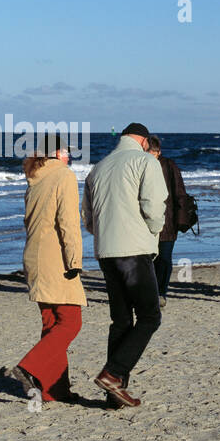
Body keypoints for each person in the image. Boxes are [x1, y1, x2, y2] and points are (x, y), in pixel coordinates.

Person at [83, 123, 168, 408]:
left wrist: (105, 235)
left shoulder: (98, 167)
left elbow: (88, 217)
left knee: (120, 320)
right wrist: (153, 232)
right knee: (149, 317)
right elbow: (154, 206)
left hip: (106, 250)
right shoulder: (145, 161)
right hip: (134, 249)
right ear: (143, 141)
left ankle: (114, 394)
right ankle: (113, 374)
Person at [1, 133, 84, 405]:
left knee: (51, 325)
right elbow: (68, 222)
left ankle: (54, 391)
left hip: (33, 258)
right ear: (55, 153)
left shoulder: (34, 179)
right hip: (55, 258)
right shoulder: (64, 176)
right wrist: (75, 260)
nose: (69, 155)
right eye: (65, 151)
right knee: (71, 322)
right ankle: (29, 367)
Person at [146, 135, 188, 309]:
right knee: (148, 260)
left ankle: (161, 293)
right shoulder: (141, 166)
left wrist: (182, 220)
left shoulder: (169, 165)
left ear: (158, 152)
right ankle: (150, 292)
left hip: (168, 221)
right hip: (146, 222)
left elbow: (180, 193)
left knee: (164, 259)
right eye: (148, 152)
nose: (151, 156)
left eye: (153, 153)